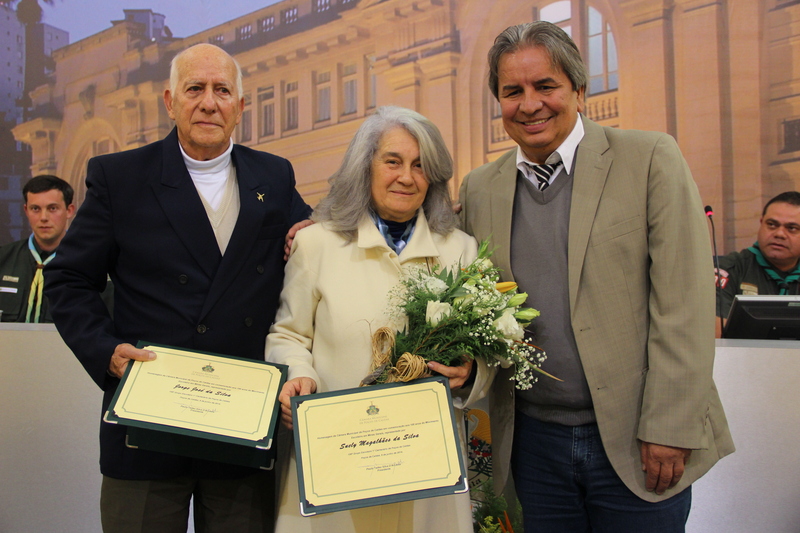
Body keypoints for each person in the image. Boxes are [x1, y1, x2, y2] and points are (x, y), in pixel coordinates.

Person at [458, 22, 734, 532]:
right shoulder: (480, 188)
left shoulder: (650, 158)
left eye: (546, 86)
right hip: (532, 447)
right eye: (512, 91)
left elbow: (685, 305)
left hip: (641, 440)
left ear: (579, 90)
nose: (530, 104)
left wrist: (670, 427)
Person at [44, 43, 311, 532]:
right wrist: (106, 351)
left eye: (222, 91)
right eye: (195, 89)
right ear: (169, 101)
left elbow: (312, 241)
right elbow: (69, 279)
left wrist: (314, 231)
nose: (209, 102)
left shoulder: (274, 176)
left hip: (241, 430)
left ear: (240, 107)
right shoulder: (119, 177)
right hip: (147, 431)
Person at [265, 106, 492, 533]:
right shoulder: (316, 243)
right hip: (334, 457)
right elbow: (289, 333)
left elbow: (484, 353)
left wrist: (472, 371)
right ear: (363, 168)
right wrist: (297, 374)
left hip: (428, 464)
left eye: (421, 166)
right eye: (393, 161)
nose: (407, 177)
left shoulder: (460, 249)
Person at [715, 191, 800, 334]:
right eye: (772, 225)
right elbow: (715, 330)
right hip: (744, 355)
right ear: (761, 224)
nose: (779, 234)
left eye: (792, 228)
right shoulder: (729, 269)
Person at [0, 175, 75, 322]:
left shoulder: (91, 264)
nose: (43, 217)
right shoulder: (3, 258)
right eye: (35, 209)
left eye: (52, 208)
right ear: (26, 210)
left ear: (69, 211)